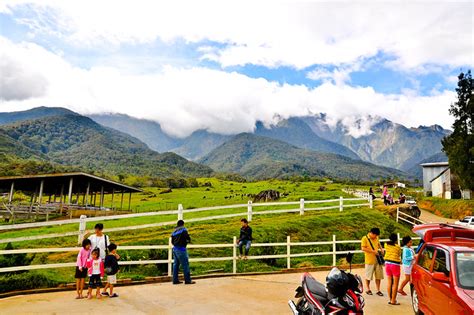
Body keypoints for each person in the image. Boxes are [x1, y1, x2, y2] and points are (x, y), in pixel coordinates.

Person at [361, 227, 384, 296]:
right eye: (375, 235)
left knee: (378, 276)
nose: (376, 237)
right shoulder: (364, 238)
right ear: (372, 233)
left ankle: (378, 290)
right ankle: (368, 289)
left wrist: (381, 249)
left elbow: (379, 244)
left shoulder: (376, 238)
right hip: (369, 260)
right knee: (368, 276)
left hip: (377, 260)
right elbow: (363, 248)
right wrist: (373, 251)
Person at [171, 220, 195, 285]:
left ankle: (175, 280)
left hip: (175, 249)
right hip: (181, 249)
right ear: (183, 224)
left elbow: (172, 242)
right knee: (185, 265)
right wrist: (187, 241)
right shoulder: (183, 230)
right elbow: (187, 237)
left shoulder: (174, 231)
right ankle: (187, 280)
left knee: (176, 265)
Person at [384, 233, 401, 305]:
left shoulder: (386, 245)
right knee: (395, 284)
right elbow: (399, 254)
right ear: (396, 239)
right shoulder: (397, 247)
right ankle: (393, 300)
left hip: (387, 264)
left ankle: (390, 299)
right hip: (395, 265)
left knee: (389, 282)